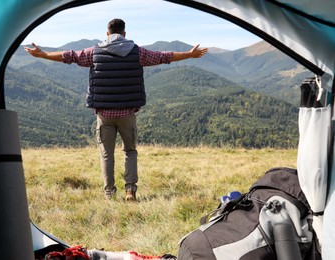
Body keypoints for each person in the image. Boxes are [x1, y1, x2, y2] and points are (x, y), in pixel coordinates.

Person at [24, 18, 207, 202]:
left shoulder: (93, 53)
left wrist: (43, 55)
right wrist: (189, 54)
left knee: (106, 154)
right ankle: (130, 191)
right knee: (130, 151)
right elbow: (164, 56)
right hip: (127, 113)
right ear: (124, 34)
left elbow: (69, 56)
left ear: (107, 33)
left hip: (104, 115)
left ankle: (109, 193)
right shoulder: (138, 53)